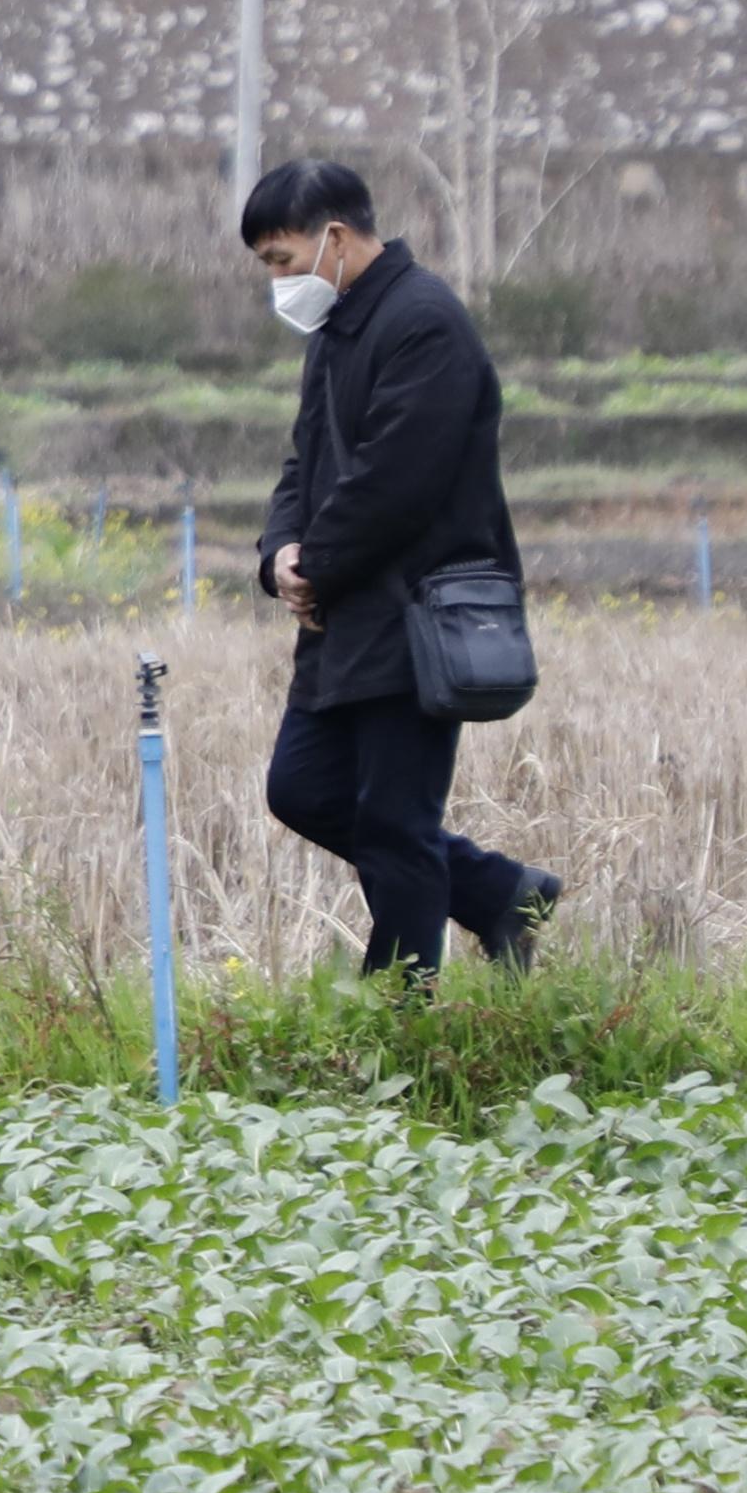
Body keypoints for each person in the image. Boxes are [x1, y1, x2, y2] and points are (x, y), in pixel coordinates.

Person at [243, 159, 559, 981]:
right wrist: (280, 555)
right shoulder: (340, 328)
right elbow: (304, 461)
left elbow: (397, 478)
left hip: (417, 616)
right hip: (344, 613)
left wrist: (319, 565)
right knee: (302, 788)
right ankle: (500, 894)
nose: (277, 282)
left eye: (282, 260)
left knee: (394, 822)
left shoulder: (427, 324)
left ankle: (399, 1016)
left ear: (336, 239)